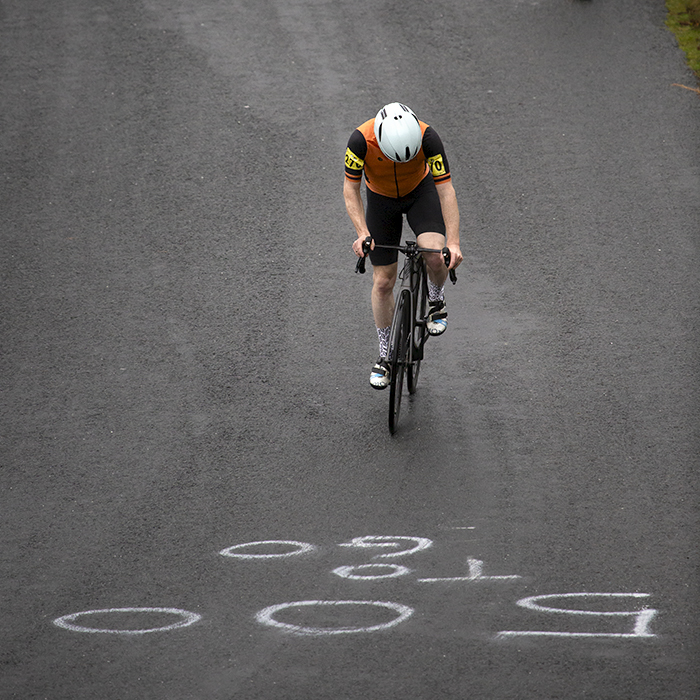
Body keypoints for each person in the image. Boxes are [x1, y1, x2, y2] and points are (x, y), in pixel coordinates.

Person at [344, 102, 463, 389]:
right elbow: (351, 188)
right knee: (383, 281)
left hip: (420, 193)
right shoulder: (360, 141)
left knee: (435, 255)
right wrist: (362, 232)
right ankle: (385, 355)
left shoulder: (428, 138)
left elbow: (445, 189)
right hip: (381, 201)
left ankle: (436, 299)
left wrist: (454, 242)